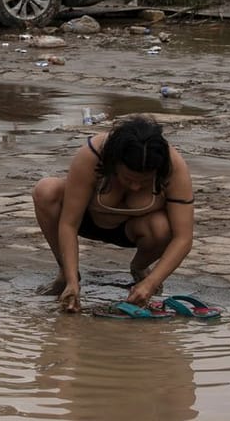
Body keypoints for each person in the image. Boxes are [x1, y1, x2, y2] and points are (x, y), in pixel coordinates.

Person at [30, 116, 196, 313]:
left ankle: (139, 268)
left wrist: (151, 283)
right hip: (88, 220)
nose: (135, 186)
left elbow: (183, 238)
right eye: (128, 178)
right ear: (114, 164)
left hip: (136, 230)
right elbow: (69, 224)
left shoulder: (173, 167)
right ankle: (65, 273)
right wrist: (72, 283)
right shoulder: (93, 154)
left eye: (143, 182)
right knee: (46, 190)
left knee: (162, 227)